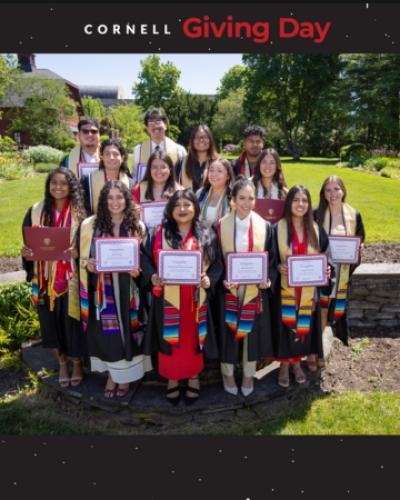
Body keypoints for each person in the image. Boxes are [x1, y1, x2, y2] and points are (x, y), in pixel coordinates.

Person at [142, 190, 222, 405]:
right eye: (177, 205)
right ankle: (172, 378)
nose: (182, 209)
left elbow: (217, 264)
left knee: (192, 339)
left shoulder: (207, 233)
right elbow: (145, 259)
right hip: (168, 299)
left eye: (187, 204)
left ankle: (194, 377)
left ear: (195, 207)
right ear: (170, 209)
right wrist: (152, 276)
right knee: (171, 340)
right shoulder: (157, 233)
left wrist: (209, 280)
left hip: (195, 299)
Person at [79, 181, 151, 399]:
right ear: (103, 201)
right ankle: (113, 375)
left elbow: (146, 259)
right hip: (104, 290)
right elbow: (81, 257)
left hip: (129, 289)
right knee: (108, 334)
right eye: (110, 198)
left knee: (129, 331)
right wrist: (87, 264)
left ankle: (126, 377)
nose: (115, 202)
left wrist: (139, 271)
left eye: (120, 197)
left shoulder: (138, 226)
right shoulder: (90, 225)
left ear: (127, 200)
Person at [21, 167, 86, 387]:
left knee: (71, 323)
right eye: (54, 182)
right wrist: (27, 253)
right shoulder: (36, 211)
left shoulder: (80, 213)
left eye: (63, 183)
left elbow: (89, 244)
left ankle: (76, 362)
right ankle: (62, 363)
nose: (58, 187)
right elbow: (29, 241)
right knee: (50, 323)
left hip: (70, 278)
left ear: (71, 187)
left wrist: (78, 253)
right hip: (45, 279)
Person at [217, 177, 276, 396]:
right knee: (229, 332)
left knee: (251, 334)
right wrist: (222, 278)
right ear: (232, 199)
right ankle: (228, 373)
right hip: (229, 290)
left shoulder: (264, 226)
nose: (246, 202)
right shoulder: (221, 225)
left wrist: (267, 280)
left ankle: (249, 374)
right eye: (241, 198)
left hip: (253, 290)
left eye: (251, 198)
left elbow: (271, 259)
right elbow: (215, 260)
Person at [272, 185, 330, 387]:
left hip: (307, 291)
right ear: (289, 203)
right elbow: (271, 258)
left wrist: (326, 271)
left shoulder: (315, 228)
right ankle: (284, 366)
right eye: (296, 199)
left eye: (304, 200)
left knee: (302, 327)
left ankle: (297, 364)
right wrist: (278, 267)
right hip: (286, 289)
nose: (300, 204)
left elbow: (325, 257)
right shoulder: (278, 227)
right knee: (286, 327)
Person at [314, 175, 365, 360]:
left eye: (336, 189)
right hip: (322, 272)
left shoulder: (354, 215)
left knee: (334, 308)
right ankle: (318, 350)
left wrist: (359, 249)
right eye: (328, 190)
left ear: (343, 191)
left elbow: (360, 238)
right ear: (323, 193)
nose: (333, 193)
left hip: (342, 271)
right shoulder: (316, 214)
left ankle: (323, 343)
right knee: (321, 309)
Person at [132, 108, 186, 183]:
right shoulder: (139, 150)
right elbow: (135, 177)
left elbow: (184, 177)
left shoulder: (179, 150)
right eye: (151, 122)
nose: (155, 125)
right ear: (147, 128)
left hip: (172, 192)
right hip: (147, 192)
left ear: (166, 125)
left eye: (158, 121)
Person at [81, 138, 134, 215]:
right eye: (107, 154)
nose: (111, 157)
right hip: (95, 225)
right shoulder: (87, 181)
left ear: (122, 158)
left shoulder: (130, 183)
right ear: (101, 157)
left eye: (115, 154)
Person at [178, 124, 218, 192]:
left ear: (210, 140)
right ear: (192, 141)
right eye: (197, 137)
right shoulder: (182, 162)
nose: (201, 140)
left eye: (205, 137)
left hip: (213, 201)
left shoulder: (219, 162)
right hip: (187, 201)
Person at [196, 157, 234, 226]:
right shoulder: (200, 193)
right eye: (211, 170)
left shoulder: (234, 196)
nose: (214, 174)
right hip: (201, 234)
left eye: (219, 171)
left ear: (228, 176)